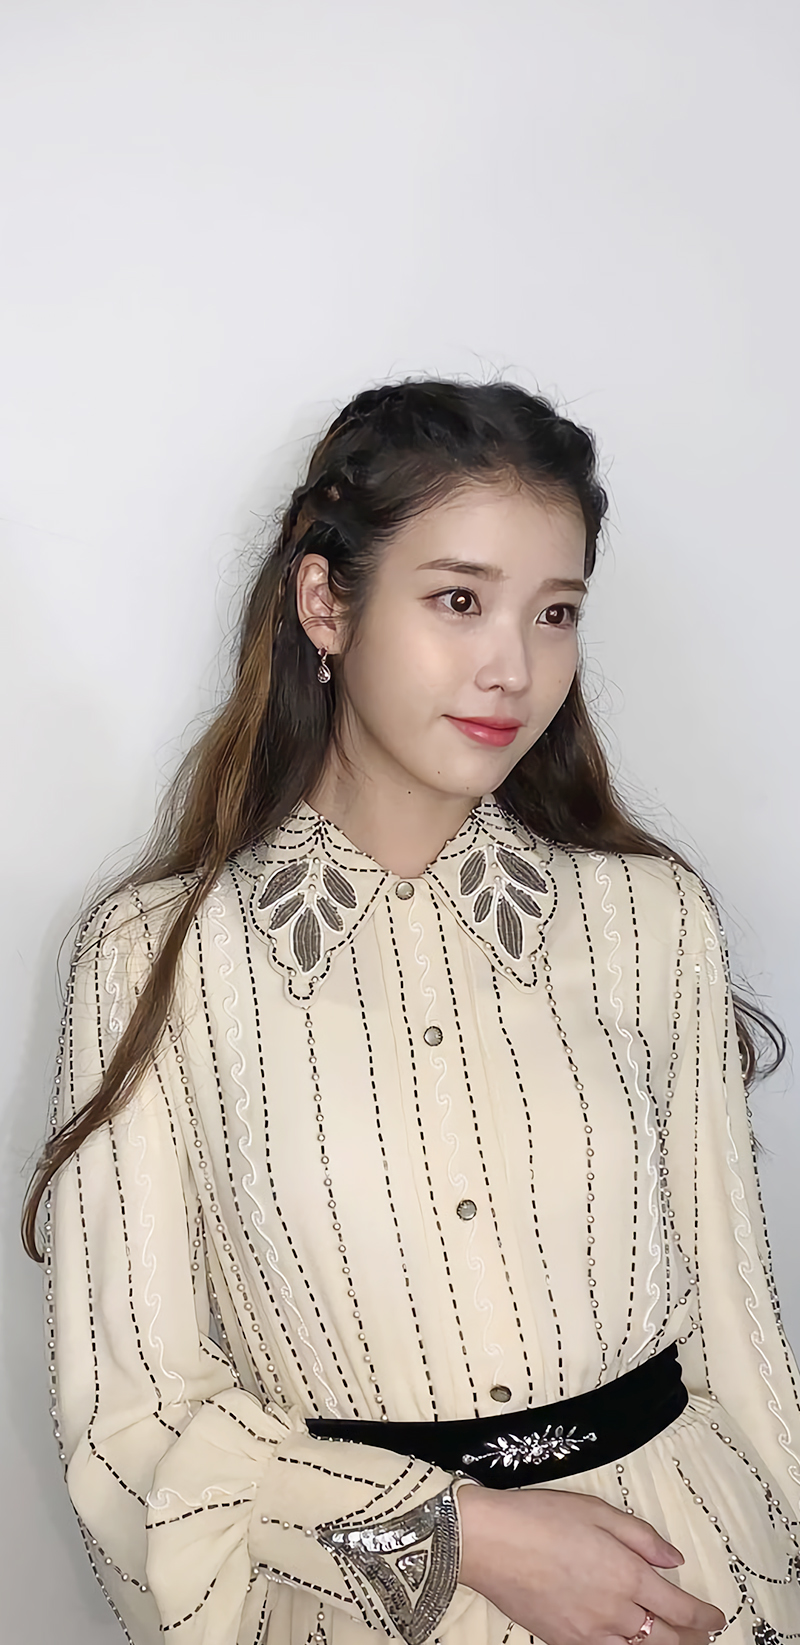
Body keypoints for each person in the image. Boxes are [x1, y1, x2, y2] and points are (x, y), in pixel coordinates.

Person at [23, 379, 800, 1645]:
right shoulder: (151, 957)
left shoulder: (652, 917)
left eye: (554, 613)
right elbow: (134, 1424)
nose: (513, 667)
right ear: (324, 605)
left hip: (686, 1574)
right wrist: (456, 1534)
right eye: (457, 600)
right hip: (360, 1610)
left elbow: (739, 1335)